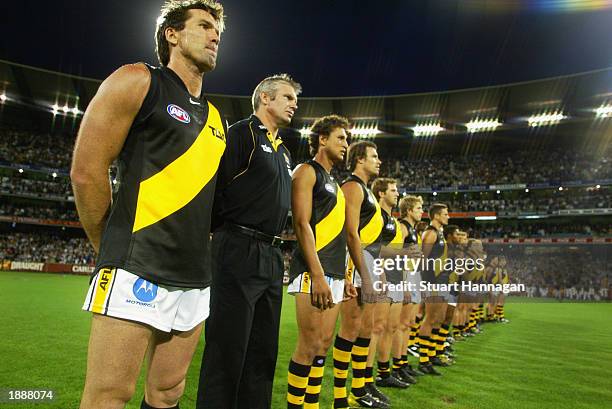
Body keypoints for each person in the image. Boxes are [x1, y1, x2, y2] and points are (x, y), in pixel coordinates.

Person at [72, 2, 226, 409]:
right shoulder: (138, 80)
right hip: (137, 265)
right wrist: (109, 248)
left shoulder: (216, 118)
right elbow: (87, 171)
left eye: (219, 32)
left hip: (194, 274)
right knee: (110, 395)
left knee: (168, 392)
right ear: (171, 34)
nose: (215, 36)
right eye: (205, 26)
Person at [196, 74, 301, 409]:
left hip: (271, 255)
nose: (294, 103)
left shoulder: (285, 152)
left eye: (294, 99)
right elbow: (214, 188)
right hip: (237, 247)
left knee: (262, 351)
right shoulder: (242, 133)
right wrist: (221, 236)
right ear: (265, 99)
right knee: (227, 347)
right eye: (287, 97)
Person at [285, 114, 357, 409]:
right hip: (313, 273)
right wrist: (317, 275)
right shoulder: (306, 171)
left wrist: (345, 277)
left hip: (335, 274)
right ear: (322, 139)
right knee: (308, 345)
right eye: (341, 138)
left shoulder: (335, 185)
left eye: (348, 139)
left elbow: (339, 236)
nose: (346, 144)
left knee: (323, 345)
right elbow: (301, 224)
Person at [332, 141, 389, 409]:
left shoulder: (368, 191)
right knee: (350, 328)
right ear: (359, 160)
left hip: (369, 262)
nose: (379, 161)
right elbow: (350, 233)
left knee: (365, 329)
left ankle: (360, 389)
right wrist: (364, 274)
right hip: (356, 263)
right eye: (374, 156)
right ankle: (340, 396)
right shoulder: (353, 187)